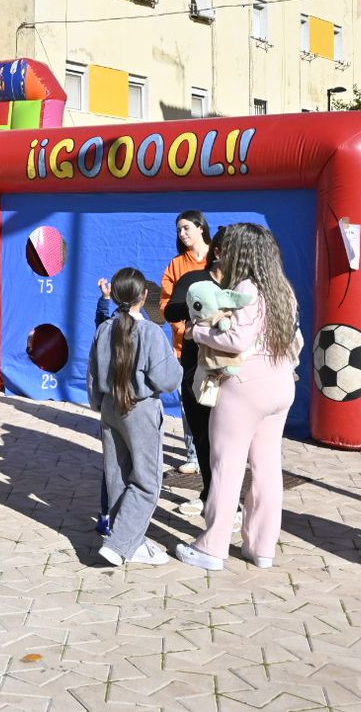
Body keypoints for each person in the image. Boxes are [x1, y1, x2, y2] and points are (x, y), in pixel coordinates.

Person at [175, 222, 300, 572]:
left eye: (227, 249)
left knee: (226, 467)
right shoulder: (283, 289)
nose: (221, 254)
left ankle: (212, 547)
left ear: (241, 252)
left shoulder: (246, 288)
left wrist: (198, 332)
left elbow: (236, 341)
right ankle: (261, 547)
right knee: (267, 468)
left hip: (245, 388)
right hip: (280, 383)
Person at [88, 267, 183, 567]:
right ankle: (120, 544)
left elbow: (92, 374)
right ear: (144, 295)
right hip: (140, 409)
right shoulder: (151, 332)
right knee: (147, 481)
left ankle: (129, 539)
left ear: (114, 295)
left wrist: (97, 404)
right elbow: (168, 379)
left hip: (110, 407)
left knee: (117, 475)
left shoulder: (105, 329)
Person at [160, 212, 219, 515]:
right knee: (193, 409)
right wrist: (184, 331)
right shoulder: (176, 265)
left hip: (220, 352)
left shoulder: (217, 260)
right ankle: (196, 461)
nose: (182, 234)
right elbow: (167, 304)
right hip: (190, 350)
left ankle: (222, 494)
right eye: (179, 230)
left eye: (186, 228)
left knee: (217, 418)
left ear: (201, 228)